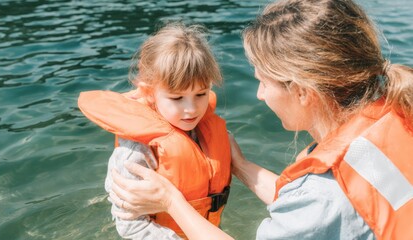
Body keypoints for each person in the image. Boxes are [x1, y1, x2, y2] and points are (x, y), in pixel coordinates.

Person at [107, 0, 413, 239]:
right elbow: (317, 206)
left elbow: (320, 206)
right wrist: (240, 166)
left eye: (264, 82)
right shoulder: (396, 114)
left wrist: (171, 201)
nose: (259, 95)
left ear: (304, 93)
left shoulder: (323, 195)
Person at [77, 22, 231, 239]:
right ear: (150, 93)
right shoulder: (136, 152)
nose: (191, 109)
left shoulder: (203, 128)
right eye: (177, 98)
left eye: (201, 94)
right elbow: (130, 224)